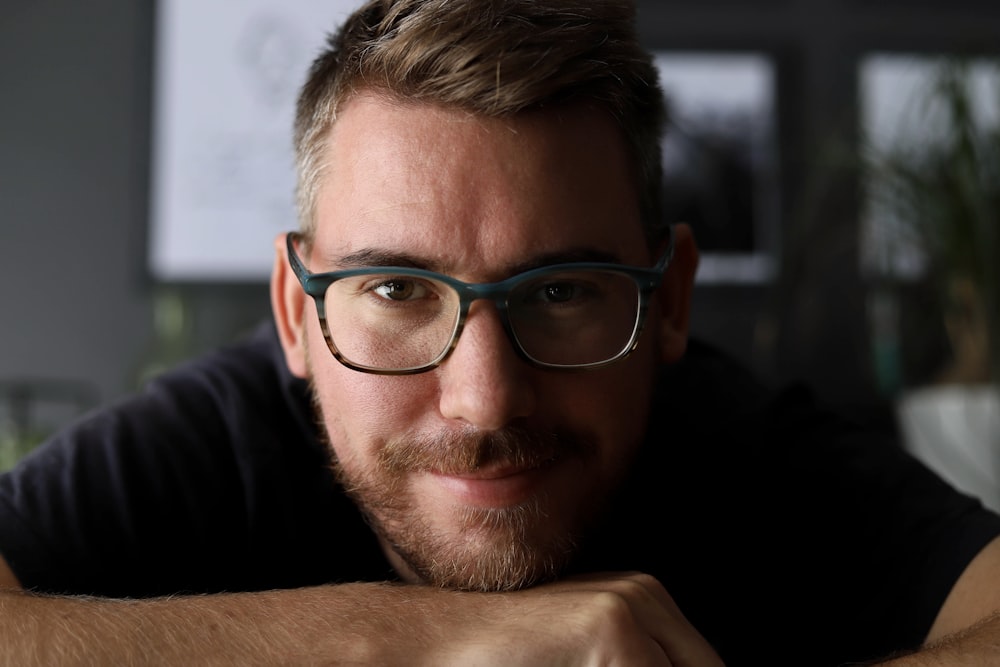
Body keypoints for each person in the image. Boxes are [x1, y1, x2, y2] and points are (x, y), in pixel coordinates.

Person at [2, 0, 999, 664]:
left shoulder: (742, 444)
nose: (485, 396)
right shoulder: (215, 437)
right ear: (297, 313)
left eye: (562, 290)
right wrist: (417, 638)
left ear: (670, 301)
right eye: (396, 289)